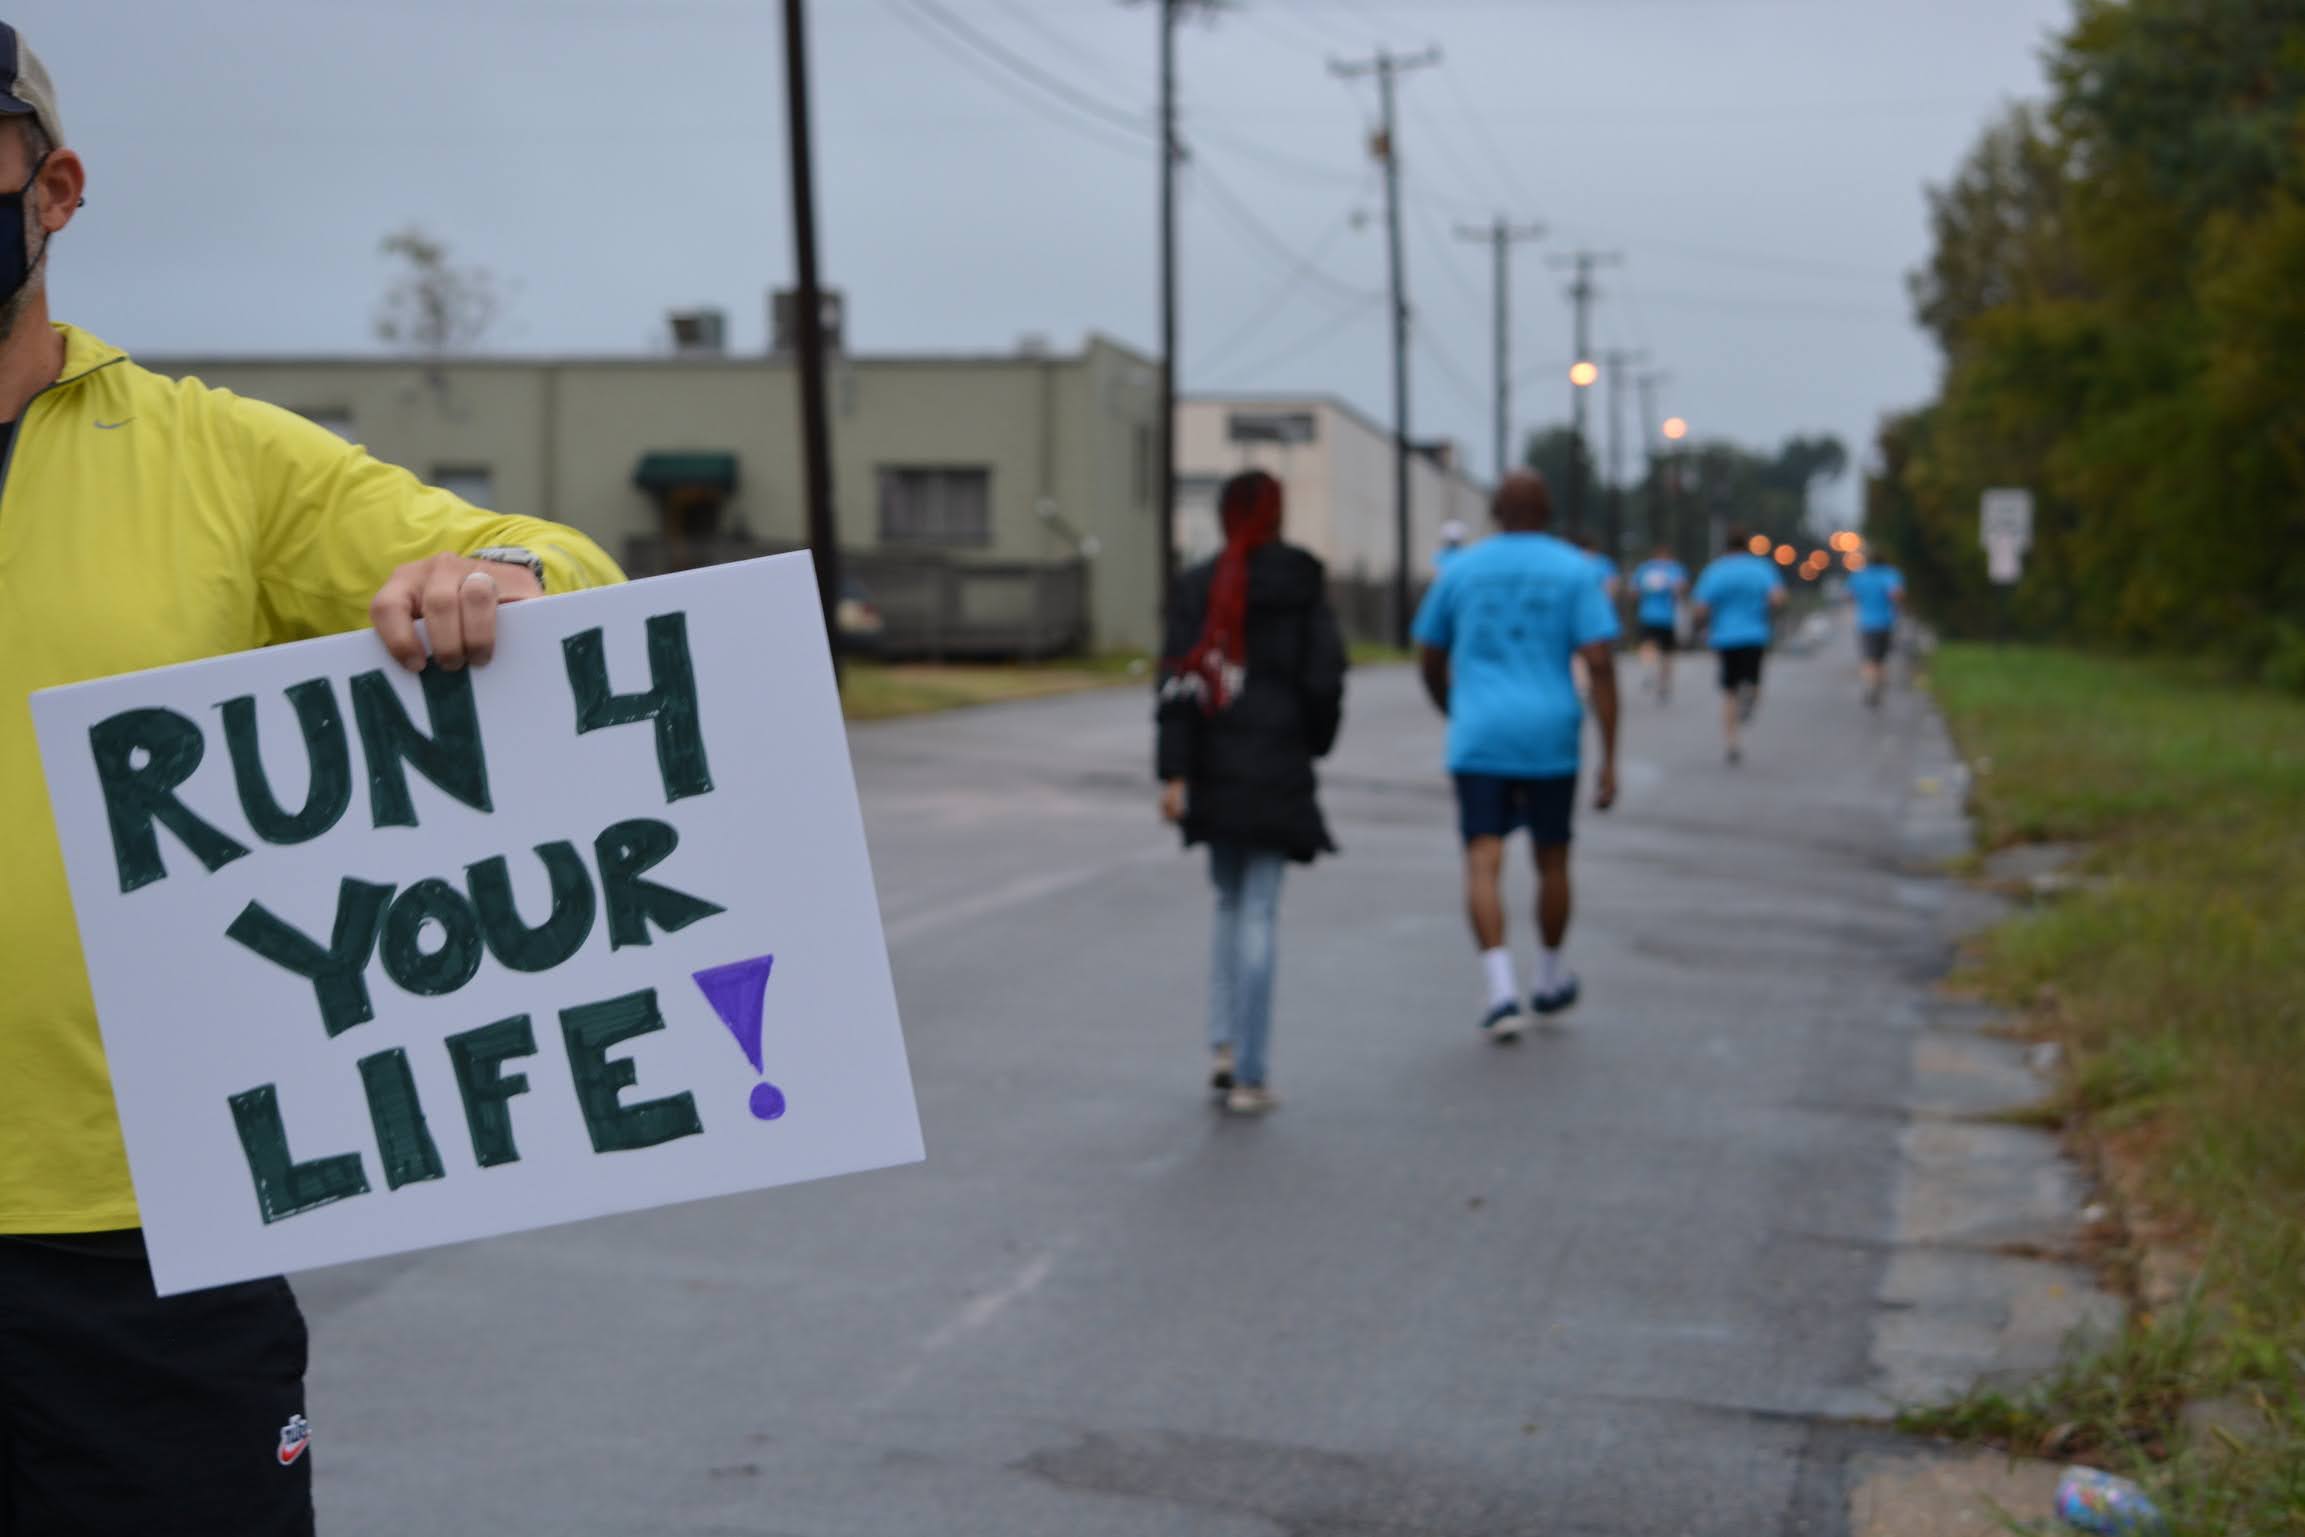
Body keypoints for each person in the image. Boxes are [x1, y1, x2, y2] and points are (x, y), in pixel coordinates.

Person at [0, 31, 624, 1533]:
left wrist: (497, 580)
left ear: (54, 183)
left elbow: (575, 581)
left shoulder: (219, 462)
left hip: (134, 1253)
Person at [1157, 470, 1346, 1115]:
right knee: (1261, 909)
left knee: (1228, 903)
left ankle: (1223, 1045)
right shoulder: (1301, 584)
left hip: (1214, 765)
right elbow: (1325, 677)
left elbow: (1177, 685)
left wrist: (1174, 772)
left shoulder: (1199, 585)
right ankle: (1253, 1073)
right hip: (1278, 763)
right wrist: (1312, 740)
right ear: (1277, 513)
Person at [1412, 472, 1619, 1041]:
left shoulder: (1463, 570)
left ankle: (1501, 989)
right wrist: (1610, 756)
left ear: (1495, 513)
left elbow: (1430, 653)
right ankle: (1549, 979)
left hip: (1480, 732)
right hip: (1550, 733)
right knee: (1553, 860)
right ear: (1548, 511)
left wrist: (1451, 707)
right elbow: (1599, 661)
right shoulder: (1575, 570)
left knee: (1483, 857)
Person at [1691, 528, 1788, 764]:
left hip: (1724, 636)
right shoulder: (1762, 568)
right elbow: (1778, 598)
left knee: (1728, 691)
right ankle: (1750, 698)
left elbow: (1701, 607)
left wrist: (1701, 626)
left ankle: (1731, 742)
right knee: (1754, 682)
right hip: (1755, 634)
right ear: (1747, 546)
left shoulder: (1715, 570)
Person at [1629, 541, 1690, 701]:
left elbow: (1633, 592)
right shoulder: (1673, 569)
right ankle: (1661, 682)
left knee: (1653, 648)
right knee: (1665, 653)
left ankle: (1653, 675)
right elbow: (1682, 589)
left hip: (1653, 616)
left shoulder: (1646, 569)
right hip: (1662, 617)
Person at [1845, 551, 1905, 708]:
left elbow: (1850, 596)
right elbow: (1896, 594)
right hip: (1886, 622)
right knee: (1882, 659)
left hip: (1866, 623)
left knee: (1869, 659)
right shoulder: (1890, 574)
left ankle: (1871, 686)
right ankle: (1879, 686)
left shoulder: (1859, 576)